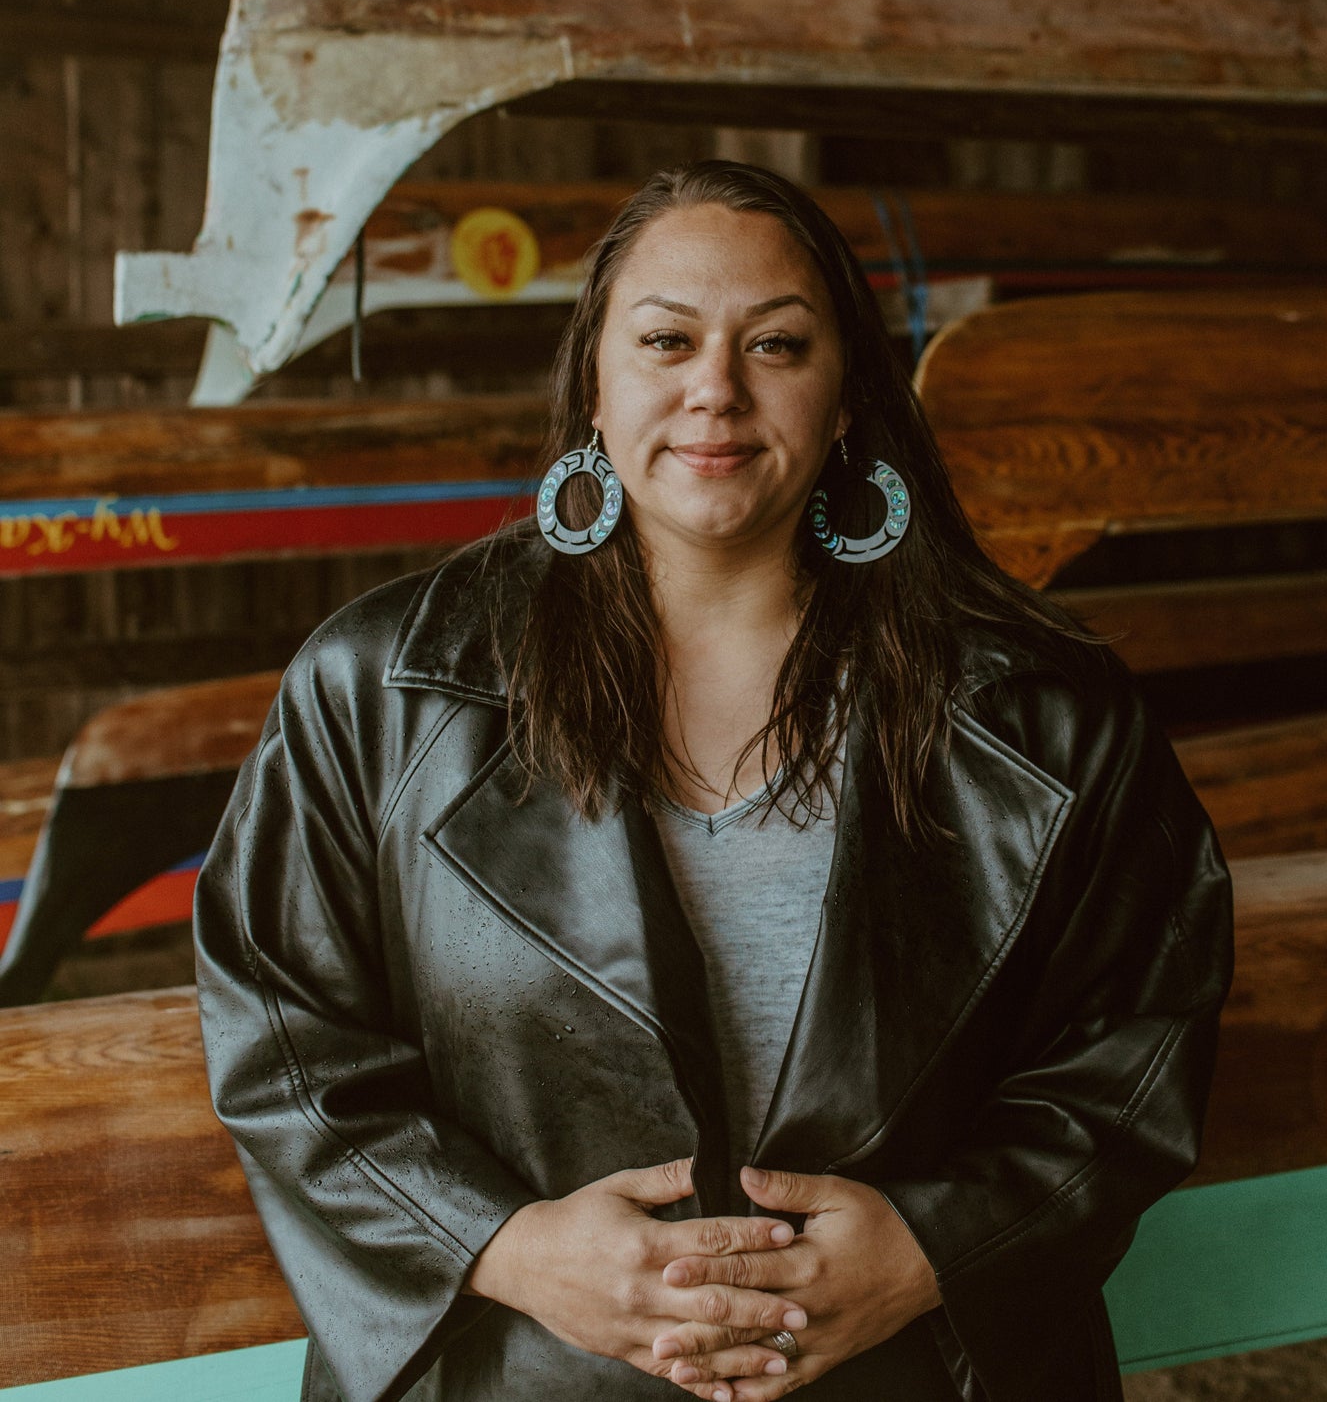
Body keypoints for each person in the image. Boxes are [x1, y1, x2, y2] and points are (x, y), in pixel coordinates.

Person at [194, 160, 1232, 1402]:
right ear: (595, 381)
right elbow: (277, 1020)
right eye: (665, 339)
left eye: (776, 345)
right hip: (522, 1373)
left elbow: (1140, 1027)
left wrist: (934, 1243)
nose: (714, 391)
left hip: (910, 1374)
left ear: (844, 391)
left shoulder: (1043, 711)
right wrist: (505, 1242)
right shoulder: (384, 688)